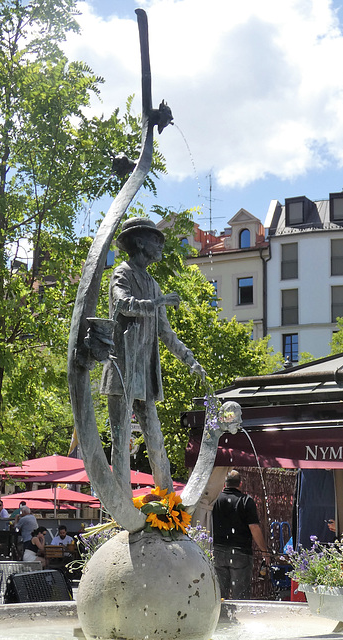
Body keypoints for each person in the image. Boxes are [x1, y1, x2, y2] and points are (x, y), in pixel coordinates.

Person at [99, 217, 206, 492]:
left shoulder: (152, 283)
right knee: (121, 440)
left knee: (155, 437)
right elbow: (123, 304)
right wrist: (159, 302)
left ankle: (167, 500)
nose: (160, 245)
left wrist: (190, 360)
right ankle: (122, 501)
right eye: (155, 240)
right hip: (122, 370)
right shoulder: (123, 273)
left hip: (144, 373)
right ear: (138, 242)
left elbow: (166, 333)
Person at [212, 470, 270, 600]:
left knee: (220, 594)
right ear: (240, 484)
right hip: (240, 553)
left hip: (218, 551)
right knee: (241, 595)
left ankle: (220, 618)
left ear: (225, 484)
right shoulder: (246, 501)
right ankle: (240, 618)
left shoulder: (216, 500)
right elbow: (254, 527)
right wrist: (264, 551)